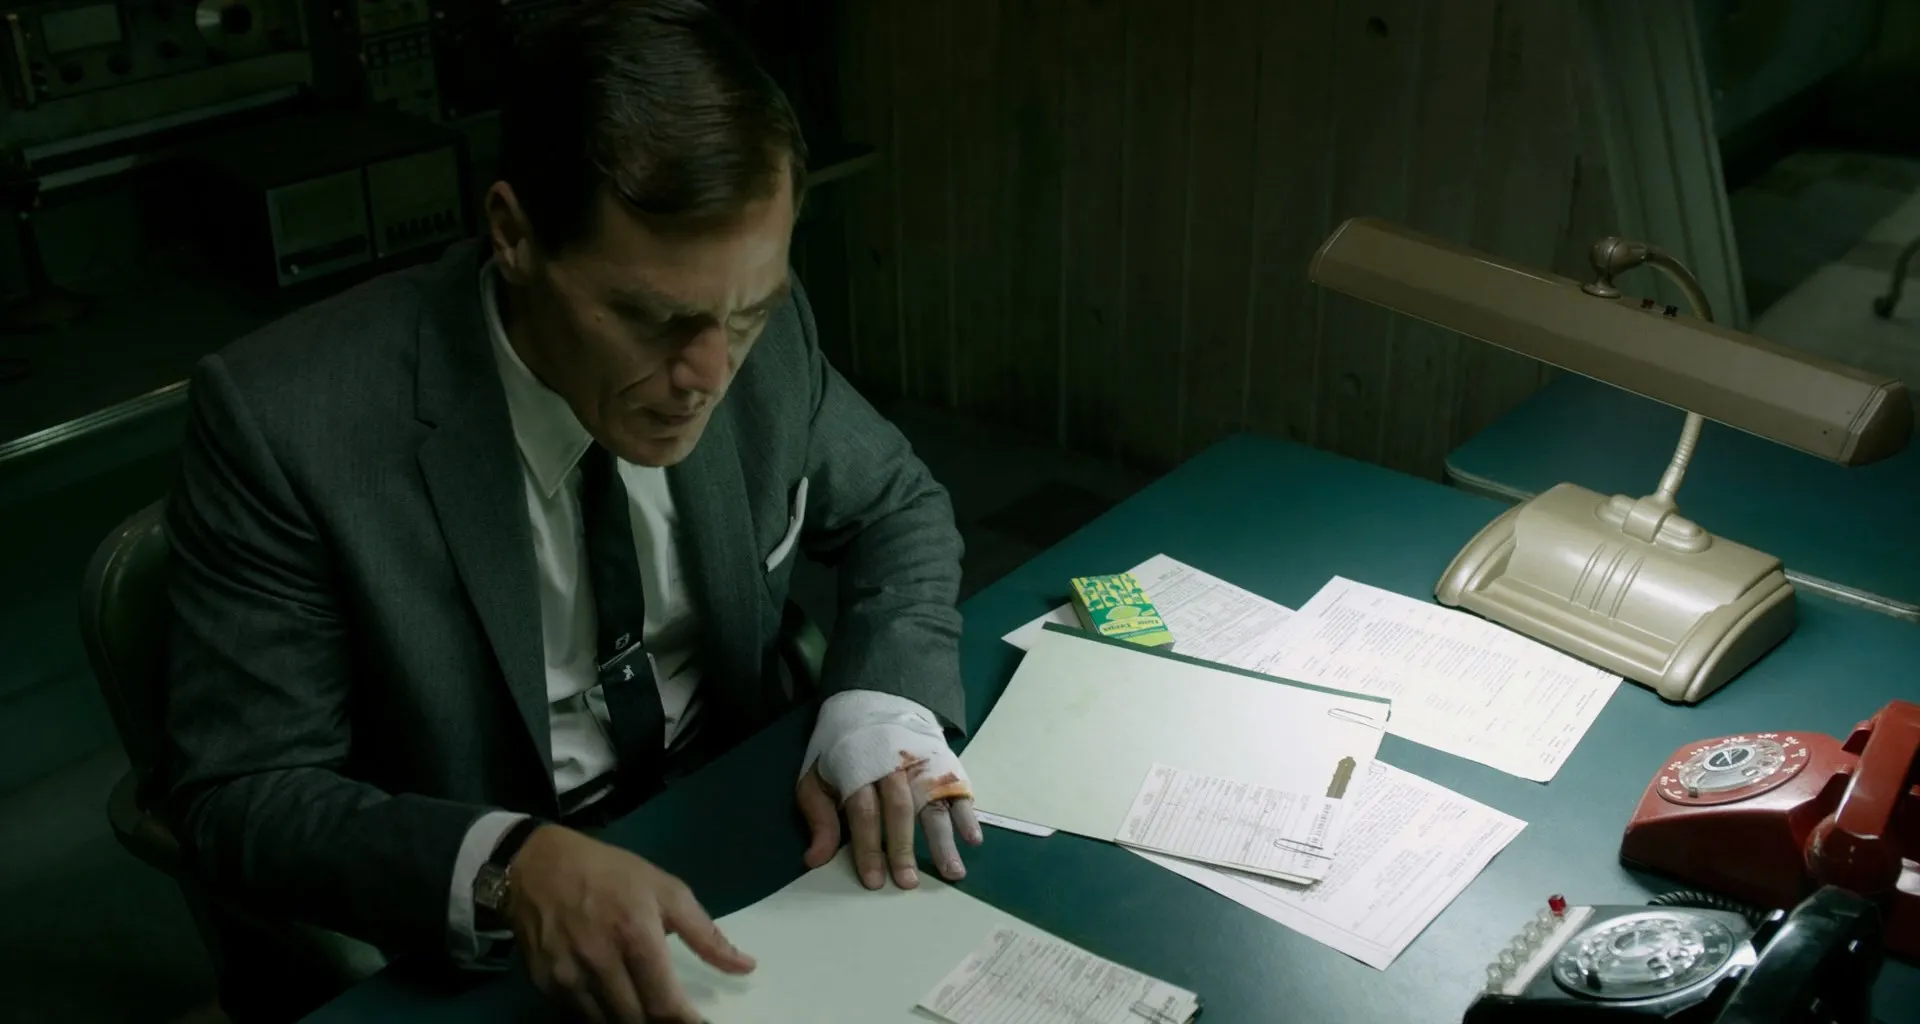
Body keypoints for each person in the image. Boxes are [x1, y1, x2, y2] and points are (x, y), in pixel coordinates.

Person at [158, 2, 982, 1021]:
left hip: (744, 820)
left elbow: (899, 504)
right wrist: (509, 866)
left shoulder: (748, 329)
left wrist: (879, 703)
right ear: (513, 236)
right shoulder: (288, 423)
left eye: (746, 314)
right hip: (482, 926)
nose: (709, 376)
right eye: (652, 318)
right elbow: (243, 792)